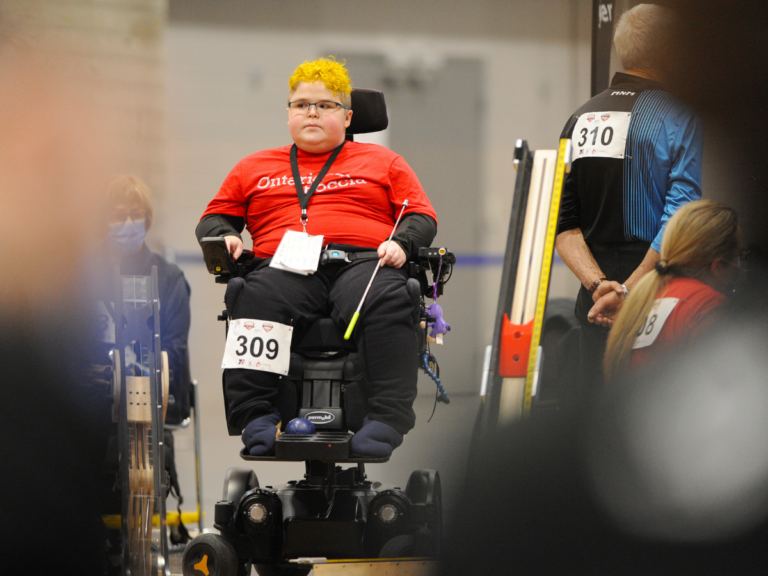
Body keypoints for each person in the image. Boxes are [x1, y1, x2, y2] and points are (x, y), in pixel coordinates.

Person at [195, 58, 437, 458]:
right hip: (284, 267)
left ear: (347, 117)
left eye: (324, 105)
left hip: (363, 262)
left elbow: (420, 215)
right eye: (301, 104)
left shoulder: (384, 162)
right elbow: (214, 217)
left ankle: (386, 418)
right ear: (288, 113)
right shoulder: (254, 167)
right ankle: (256, 415)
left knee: (391, 295)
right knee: (251, 295)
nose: (311, 112)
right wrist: (224, 236)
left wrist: (404, 244)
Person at [555, 3, 703, 387]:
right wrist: (628, 290)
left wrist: (599, 287)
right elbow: (680, 216)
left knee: (596, 418)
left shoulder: (579, 117)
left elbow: (563, 224)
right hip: (655, 292)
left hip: (596, 301)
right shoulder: (680, 114)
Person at [603, 200, 740, 382]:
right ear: (718, 265)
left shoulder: (645, 296)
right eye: (740, 255)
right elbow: (725, 389)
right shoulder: (709, 305)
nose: (741, 264)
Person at [99, 174, 192, 424]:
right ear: (105, 221)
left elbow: (174, 348)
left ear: (148, 221)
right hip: (92, 401)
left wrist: (134, 376)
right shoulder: (83, 273)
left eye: (136, 214)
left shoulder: (168, 278)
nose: (127, 223)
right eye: (118, 215)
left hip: (153, 405)